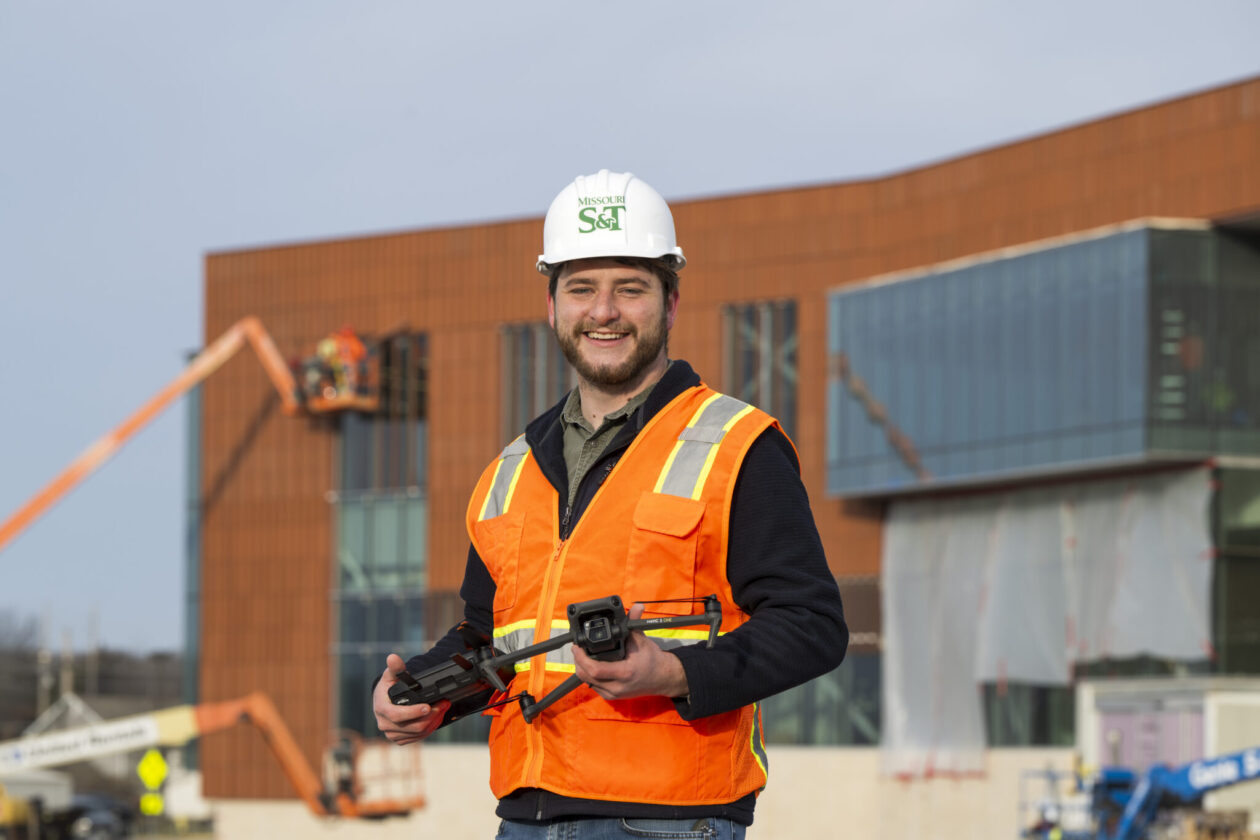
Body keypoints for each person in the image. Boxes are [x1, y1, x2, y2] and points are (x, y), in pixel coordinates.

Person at [372, 169, 848, 839]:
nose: (604, 312)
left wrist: (675, 672)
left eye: (630, 289)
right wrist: (421, 693)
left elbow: (813, 626)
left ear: (671, 304)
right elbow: (490, 638)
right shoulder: (511, 469)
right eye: (582, 290)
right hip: (526, 818)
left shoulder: (737, 445)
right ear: (552, 308)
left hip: (670, 822)